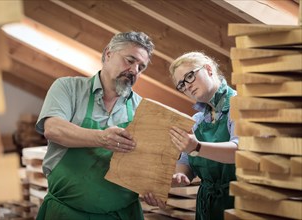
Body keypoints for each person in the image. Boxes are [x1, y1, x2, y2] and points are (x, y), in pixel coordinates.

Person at [35, 31, 154, 220]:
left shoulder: (143, 108)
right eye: (130, 60)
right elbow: (54, 129)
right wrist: (102, 138)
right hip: (67, 213)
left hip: (122, 215)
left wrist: (151, 184)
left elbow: (149, 160)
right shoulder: (68, 88)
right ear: (108, 54)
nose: (134, 70)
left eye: (141, 67)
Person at [144, 51, 238, 220]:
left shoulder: (239, 106)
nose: (187, 86)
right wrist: (179, 176)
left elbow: (239, 152)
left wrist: (197, 146)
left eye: (189, 76)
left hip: (238, 204)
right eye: (181, 85)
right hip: (207, 207)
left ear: (208, 69)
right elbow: (185, 163)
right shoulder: (197, 121)